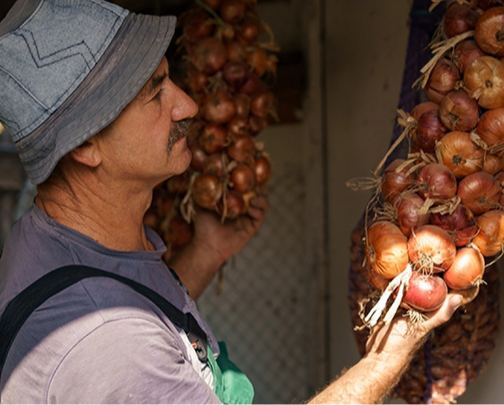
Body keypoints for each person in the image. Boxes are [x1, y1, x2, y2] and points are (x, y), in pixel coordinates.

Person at [0, 0, 463, 403]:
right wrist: (389, 355)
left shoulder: (48, 240)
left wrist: (206, 253)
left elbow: (130, 303)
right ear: (84, 145)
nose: (188, 106)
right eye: (154, 93)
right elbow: (125, 339)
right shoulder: (109, 348)